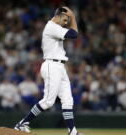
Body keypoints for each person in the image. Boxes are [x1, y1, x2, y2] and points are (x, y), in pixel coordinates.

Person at [14, 6, 80, 135]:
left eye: (67, 20)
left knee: (68, 100)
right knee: (48, 101)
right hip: (52, 65)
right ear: (59, 16)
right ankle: (22, 123)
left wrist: (70, 18)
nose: (66, 23)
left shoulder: (56, 27)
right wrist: (73, 17)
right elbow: (74, 34)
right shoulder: (51, 27)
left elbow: (72, 33)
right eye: (65, 19)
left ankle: (72, 131)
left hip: (60, 66)